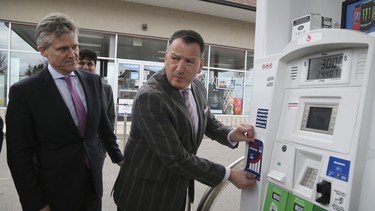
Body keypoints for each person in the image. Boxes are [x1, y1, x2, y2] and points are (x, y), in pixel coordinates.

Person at [112, 29, 256, 211]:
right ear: (165, 58)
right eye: (175, 58)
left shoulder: (196, 85)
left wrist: (231, 134)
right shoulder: (151, 97)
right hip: (145, 195)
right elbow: (176, 158)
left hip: (176, 191)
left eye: (189, 61)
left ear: (200, 65)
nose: (180, 68)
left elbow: (208, 121)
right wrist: (228, 175)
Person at [6, 12, 124, 211]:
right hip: (54, 191)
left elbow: (103, 126)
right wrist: (36, 203)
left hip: (92, 184)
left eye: (75, 46)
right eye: (63, 49)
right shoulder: (24, 92)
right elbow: (19, 157)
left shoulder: (93, 81)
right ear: (43, 51)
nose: (73, 54)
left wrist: (121, 159)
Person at [78, 48, 116, 156]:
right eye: (81, 63)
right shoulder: (70, 86)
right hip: (74, 148)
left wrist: (103, 145)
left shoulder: (106, 89)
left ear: (95, 67)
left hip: (96, 149)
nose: (85, 67)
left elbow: (110, 117)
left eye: (90, 64)